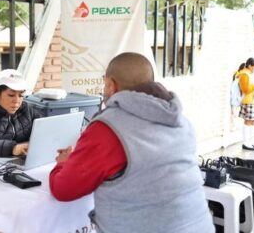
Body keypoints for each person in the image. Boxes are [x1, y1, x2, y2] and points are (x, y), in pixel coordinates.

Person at [49, 52, 214, 233]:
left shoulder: (107, 129)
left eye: (105, 85)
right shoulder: (181, 121)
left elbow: (64, 189)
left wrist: (63, 163)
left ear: (111, 85)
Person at [238, 57, 254, 150]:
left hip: (252, 101)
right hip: (248, 101)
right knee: (248, 122)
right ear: (250, 66)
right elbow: (246, 90)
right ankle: (246, 143)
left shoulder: (250, 73)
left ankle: (253, 142)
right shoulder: (244, 74)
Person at [230, 63, 246, 130]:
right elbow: (236, 90)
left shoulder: (239, 76)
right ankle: (233, 127)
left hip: (237, 99)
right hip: (235, 99)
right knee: (235, 114)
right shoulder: (238, 77)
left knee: (236, 114)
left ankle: (234, 126)